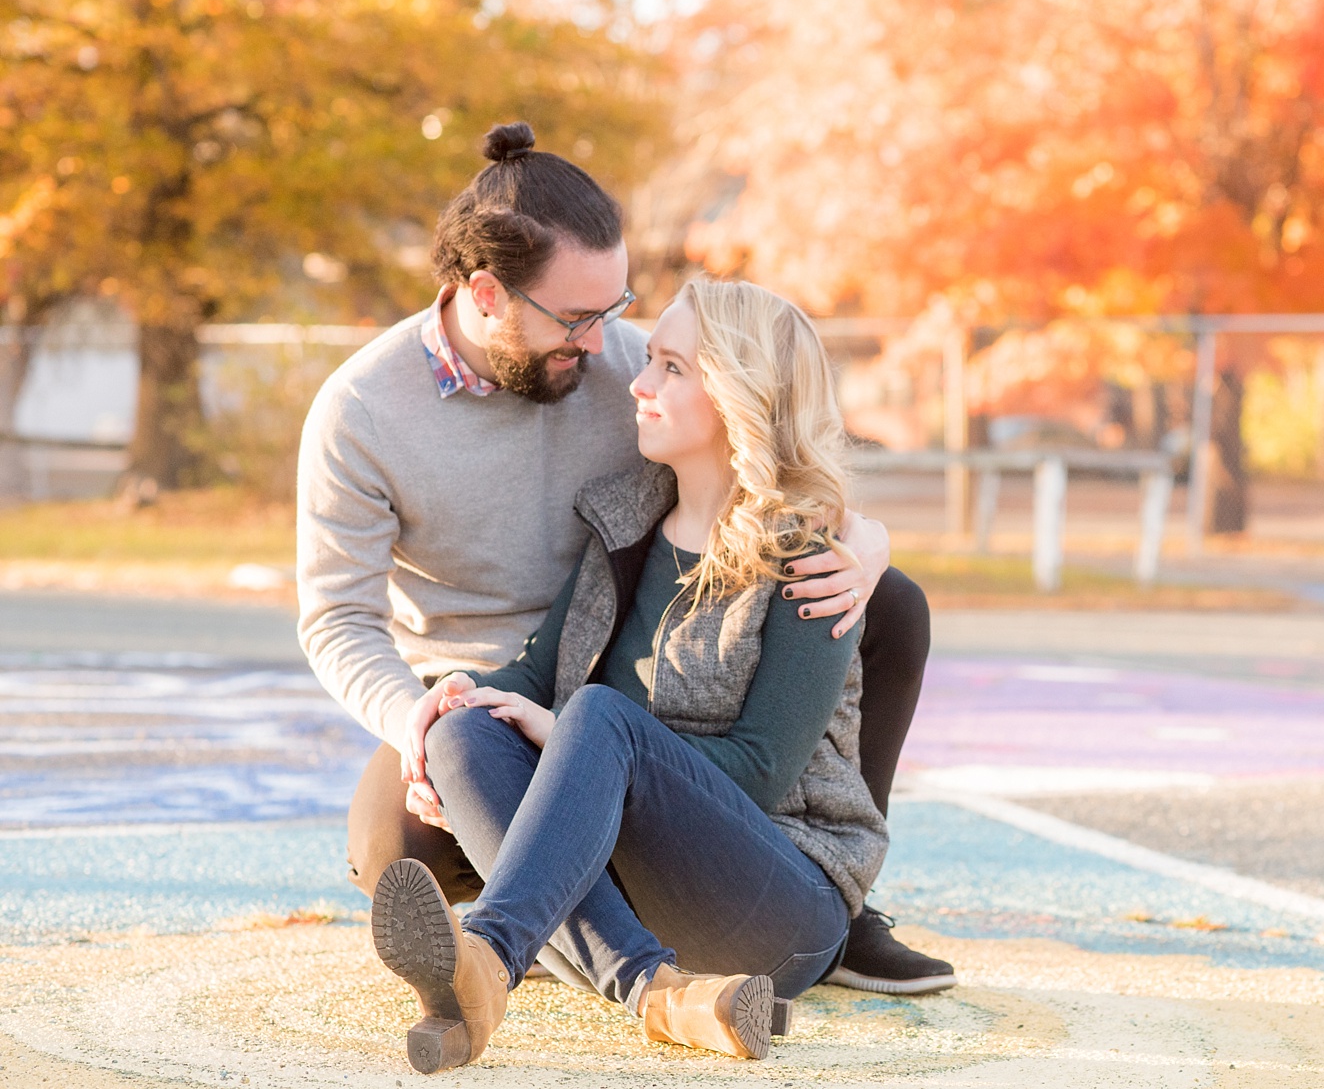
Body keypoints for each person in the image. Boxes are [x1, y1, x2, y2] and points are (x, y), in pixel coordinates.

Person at [296, 123, 952, 993]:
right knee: (400, 838)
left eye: (618, 311)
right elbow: (338, 616)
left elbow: (769, 430)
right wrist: (420, 718)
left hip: (647, 728)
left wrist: (860, 539)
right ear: (487, 294)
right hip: (504, 684)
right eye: (576, 318)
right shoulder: (363, 412)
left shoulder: (634, 363)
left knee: (890, 602)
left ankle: (830, 895)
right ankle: (636, 976)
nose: (613, 350)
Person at [370, 279, 896, 1071]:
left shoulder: (811, 563)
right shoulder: (625, 519)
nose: (640, 384)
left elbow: (757, 773)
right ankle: (658, 991)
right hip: (643, 892)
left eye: (673, 368)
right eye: (649, 360)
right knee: (466, 728)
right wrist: (449, 702)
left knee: (596, 717)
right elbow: (536, 669)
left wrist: (577, 737)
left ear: (737, 395)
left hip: (784, 901)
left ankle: (491, 953)